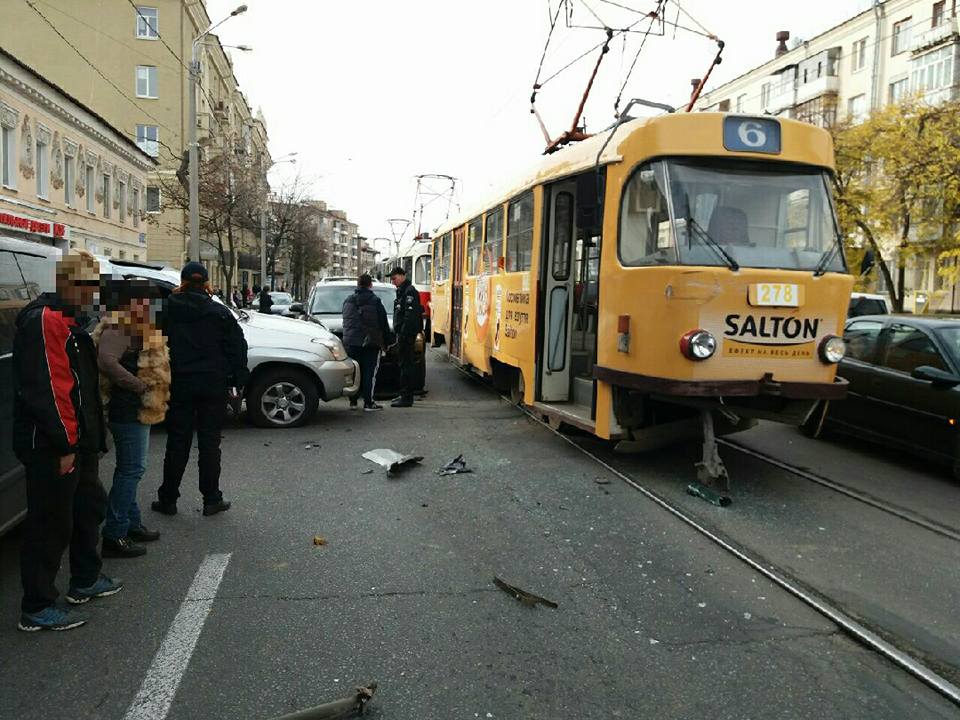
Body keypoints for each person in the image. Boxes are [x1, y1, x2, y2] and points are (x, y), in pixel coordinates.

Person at [12, 251, 121, 632]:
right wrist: (64, 446)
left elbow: (79, 389)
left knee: (89, 507)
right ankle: (37, 606)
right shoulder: (45, 321)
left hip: (79, 441)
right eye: (90, 288)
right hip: (53, 445)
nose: (95, 296)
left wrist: (89, 439)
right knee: (49, 523)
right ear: (72, 286)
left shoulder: (69, 322)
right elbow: (51, 390)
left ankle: (85, 580)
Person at [153, 262, 248, 517]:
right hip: (212, 384)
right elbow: (237, 347)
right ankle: (211, 498)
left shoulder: (166, 309)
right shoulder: (219, 312)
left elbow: (152, 344)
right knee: (209, 443)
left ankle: (168, 498)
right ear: (206, 283)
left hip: (179, 382)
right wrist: (237, 379)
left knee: (177, 441)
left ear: (182, 282)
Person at [94, 280, 170, 558]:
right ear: (131, 302)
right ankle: (114, 533)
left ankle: (131, 523)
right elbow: (106, 362)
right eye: (146, 301)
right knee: (131, 470)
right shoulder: (119, 326)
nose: (150, 306)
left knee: (132, 469)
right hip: (127, 409)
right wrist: (140, 386)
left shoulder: (136, 325)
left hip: (137, 407)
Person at [342, 274, 393, 411]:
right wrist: (387, 343)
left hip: (352, 343)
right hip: (371, 343)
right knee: (369, 373)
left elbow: (346, 323)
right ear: (370, 285)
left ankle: (353, 401)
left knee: (354, 372)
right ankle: (368, 402)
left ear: (358, 285)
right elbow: (383, 324)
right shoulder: (375, 301)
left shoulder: (348, 300)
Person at [388, 266, 423, 408]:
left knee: (406, 365)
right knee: (403, 364)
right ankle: (404, 394)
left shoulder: (410, 292)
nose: (393, 282)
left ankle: (407, 397)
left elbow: (409, 317)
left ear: (402, 276)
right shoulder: (402, 291)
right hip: (403, 334)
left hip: (407, 335)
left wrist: (402, 333)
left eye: (394, 278)